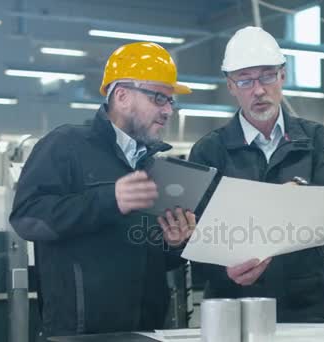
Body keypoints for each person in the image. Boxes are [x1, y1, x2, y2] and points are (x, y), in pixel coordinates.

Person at [10, 42, 196, 338]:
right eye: (159, 98)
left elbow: (151, 258)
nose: (168, 110)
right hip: (80, 333)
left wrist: (174, 245)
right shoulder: (65, 145)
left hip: (146, 331)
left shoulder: (153, 166)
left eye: (171, 101)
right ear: (122, 96)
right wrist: (109, 199)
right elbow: (27, 217)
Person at [188, 26, 324, 323]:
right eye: (245, 80)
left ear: (283, 76)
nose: (258, 90)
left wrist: (300, 190)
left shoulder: (316, 139)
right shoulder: (209, 150)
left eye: (267, 76)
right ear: (231, 86)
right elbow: (193, 237)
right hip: (235, 302)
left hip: (307, 302)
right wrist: (225, 271)